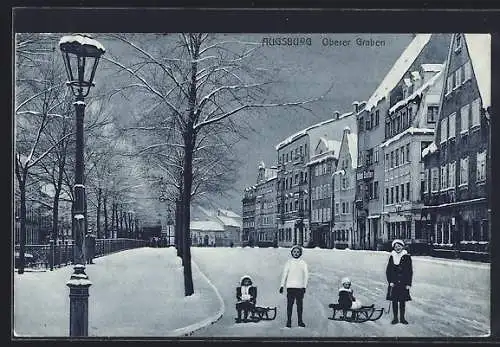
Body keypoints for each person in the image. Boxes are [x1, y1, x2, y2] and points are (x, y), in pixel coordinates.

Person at [279, 245, 309, 328]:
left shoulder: (303, 263)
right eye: (294, 252)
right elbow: (285, 274)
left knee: (299, 305)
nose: (296, 253)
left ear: (300, 253)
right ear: (291, 253)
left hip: (299, 287)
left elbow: (306, 275)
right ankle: (289, 321)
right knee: (290, 305)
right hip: (290, 287)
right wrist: (282, 285)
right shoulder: (289, 262)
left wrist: (304, 286)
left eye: (298, 252)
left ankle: (300, 321)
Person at [386, 239, 413, 325]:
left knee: (402, 301)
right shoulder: (392, 256)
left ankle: (402, 318)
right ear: (394, 248)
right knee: (394, 301)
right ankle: (395, 318)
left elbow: (409, 271)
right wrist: (390, 281)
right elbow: (388, 270)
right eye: (396, 247)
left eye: (399, 246)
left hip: (403, 283)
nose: (397, 248)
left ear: (402, 247)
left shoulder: (407, 257)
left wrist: (408, 283)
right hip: (393, 283)